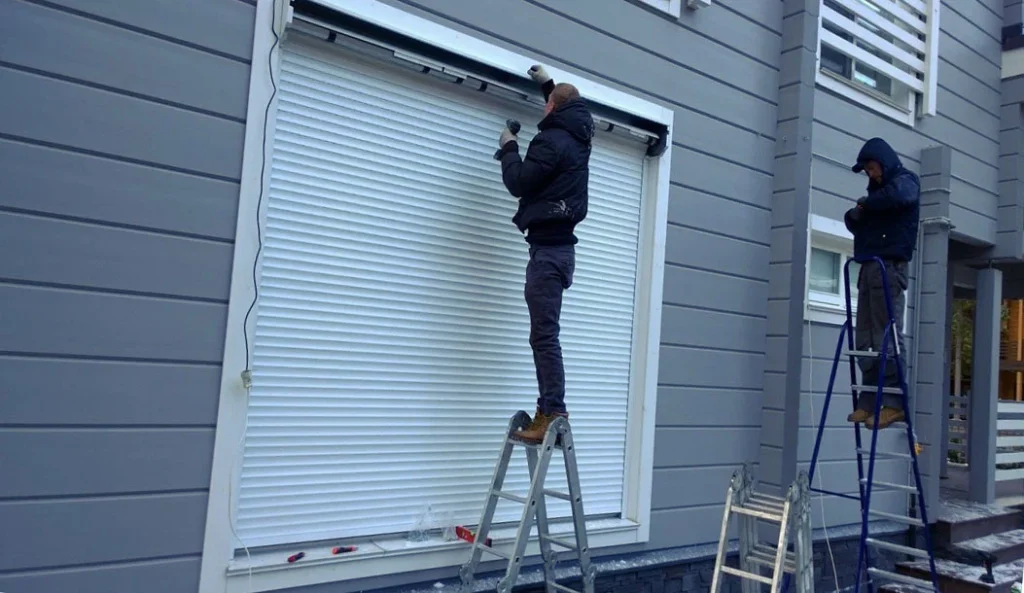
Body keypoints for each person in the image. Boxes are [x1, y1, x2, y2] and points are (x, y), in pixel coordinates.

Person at [494, 64, 594, 442]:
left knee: (544, 336)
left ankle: (552, 410)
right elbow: (564, 106)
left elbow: (519, 182)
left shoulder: (551, 141)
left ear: (552, 109)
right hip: (561, 250)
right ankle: (549, 406)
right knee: (546, 333)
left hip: (548, 254)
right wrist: (548, 85)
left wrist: (508, 147)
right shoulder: (580, 136)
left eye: (547, 105)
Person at [843, 137, 920, 430]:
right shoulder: (877, 194)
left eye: (871, 168)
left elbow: (900, 197)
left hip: (889, 268)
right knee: (865, 337)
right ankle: (869, 400)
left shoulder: (905, 181)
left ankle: (893, 403)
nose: (870, 174)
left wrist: (868, 204)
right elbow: (858, 220)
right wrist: (856, 214)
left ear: (883, 163)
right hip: (870, 267)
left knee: (886, 336)